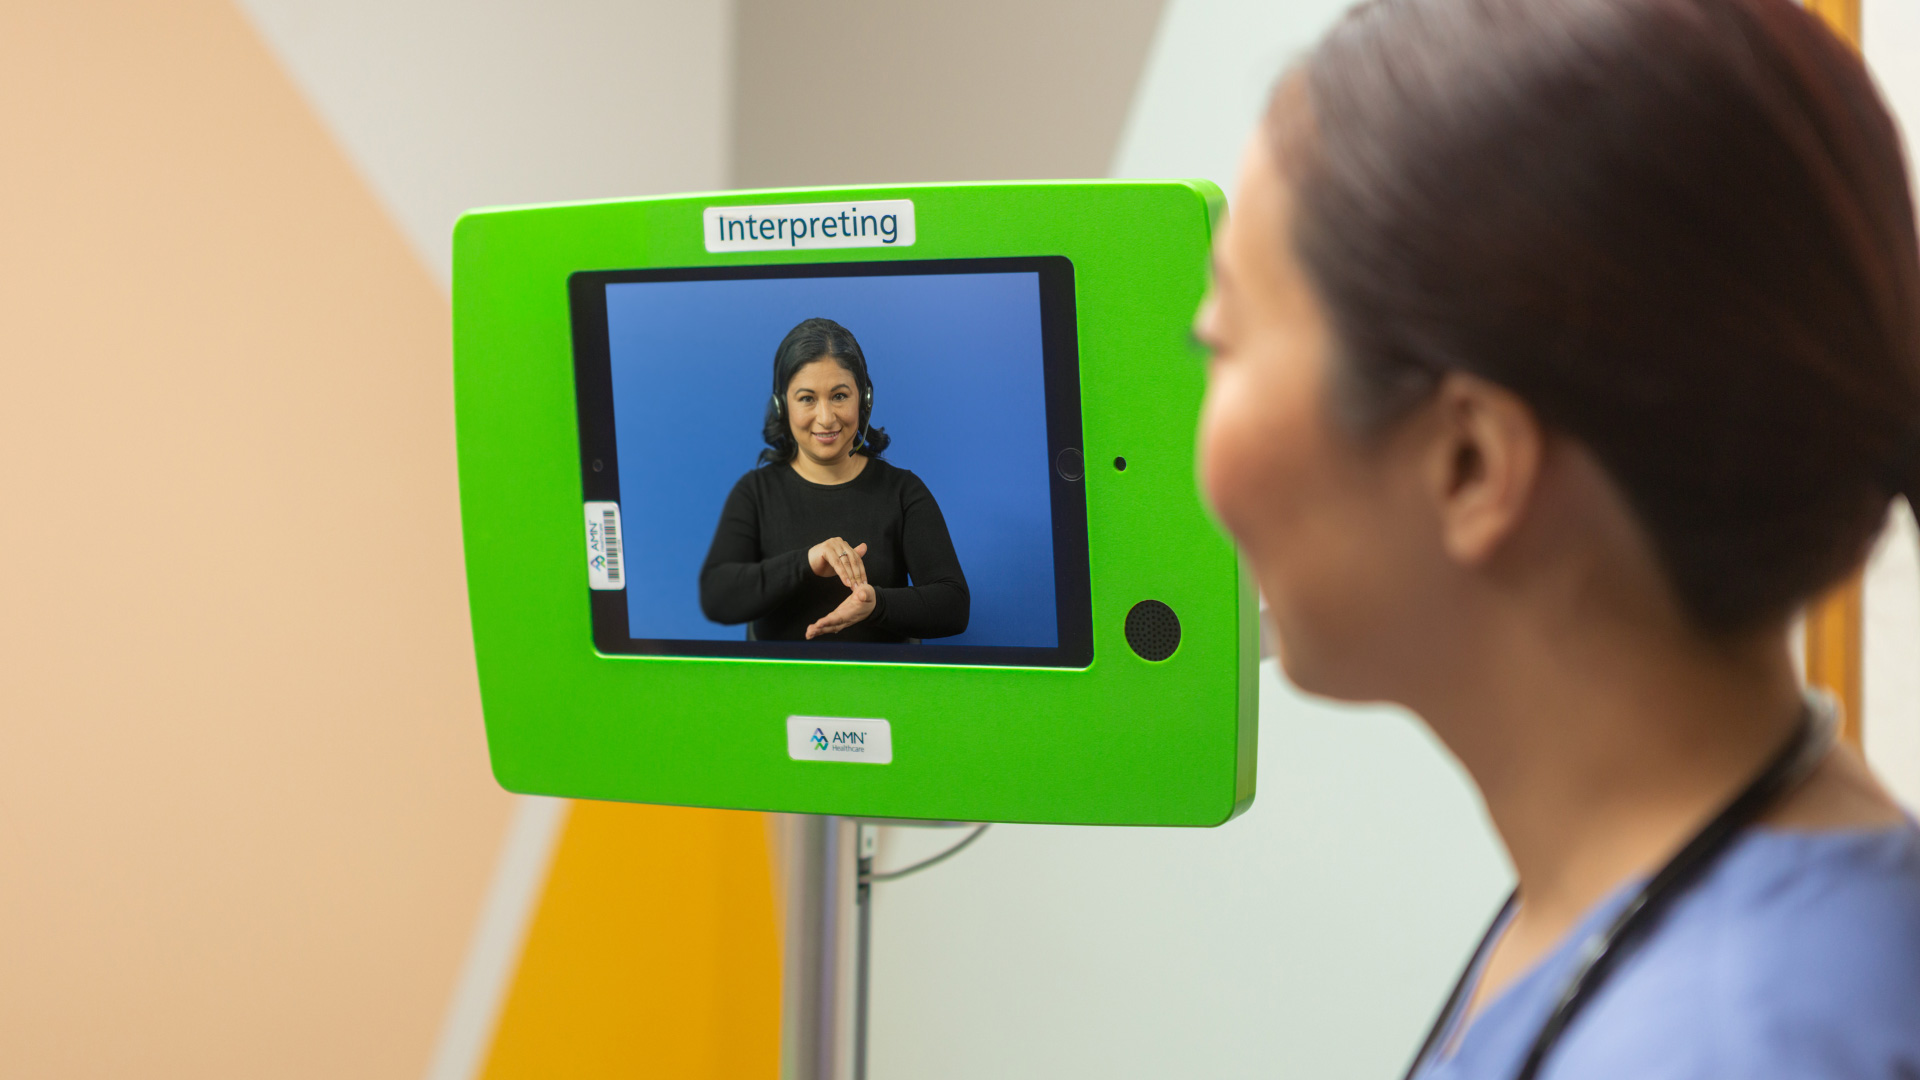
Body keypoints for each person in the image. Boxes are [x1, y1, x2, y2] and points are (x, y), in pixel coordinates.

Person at [1193, 0, 1920, 1076]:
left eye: (1221, 341)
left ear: (1470, 463)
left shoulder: (1727, 1045)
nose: (1198, 437)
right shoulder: (1670, 900)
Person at [700, 317, 969, 643]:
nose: (826, 418)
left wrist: (877, 604)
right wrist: (806, 562)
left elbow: (954, 605)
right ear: (782, 406)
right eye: (807, 398)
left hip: (878, 676)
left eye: (839, 396)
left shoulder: (903, 492)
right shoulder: (755, 493)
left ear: (864, 400)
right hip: (782, 677)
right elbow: (716, 597)